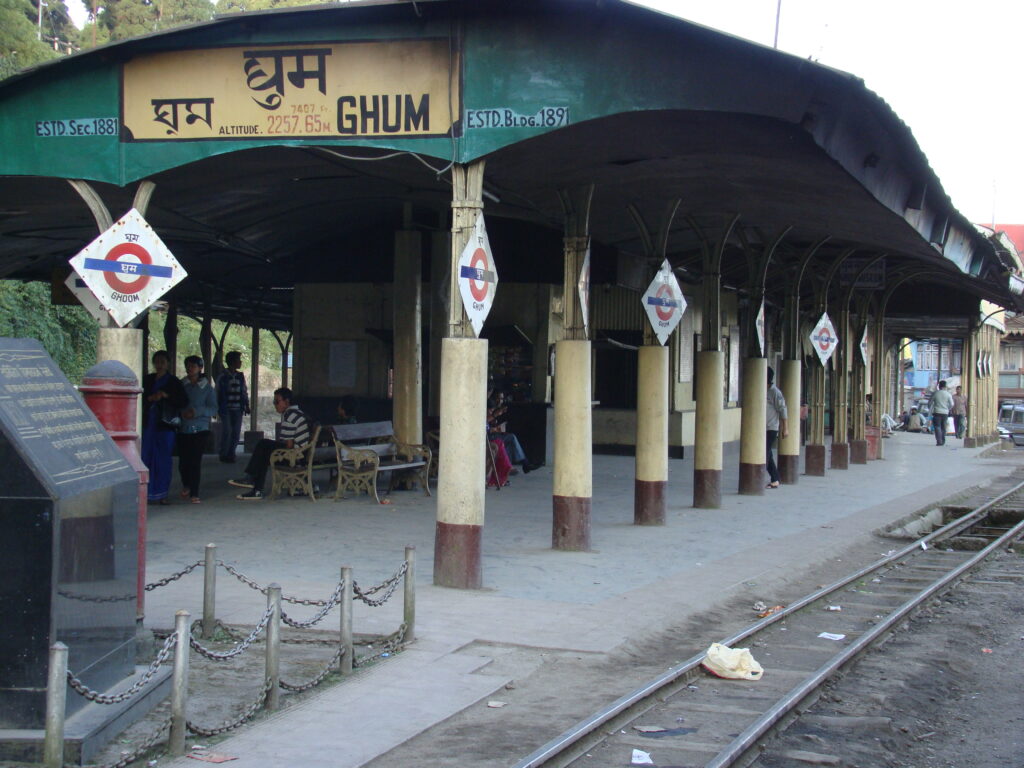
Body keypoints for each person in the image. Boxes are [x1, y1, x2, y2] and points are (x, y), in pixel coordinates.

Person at [229, 387, 311, 500]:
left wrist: (276, 449)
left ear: (287, 402)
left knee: (263, 447)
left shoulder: (290, 416)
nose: (275, 404)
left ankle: (254, 484)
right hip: (303, 454)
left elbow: (289, 445)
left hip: (296, 457)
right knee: (264, 450)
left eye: (277, 401)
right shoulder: (297, 412)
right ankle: (254, 484)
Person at [141, 350, 187, 505]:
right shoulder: (147, 380)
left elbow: (183, 401)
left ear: (168, 364)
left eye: (162, 362)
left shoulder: (173, 382)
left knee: (163, 460)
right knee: (145, 458)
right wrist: (150, 398)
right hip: (148, 424)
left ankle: (162, 493)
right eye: (157, 362)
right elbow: (139, 398)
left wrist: (166, 396)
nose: (159, 365)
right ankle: (145, 493)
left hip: (165, 426)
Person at [177, 355, 218, 504]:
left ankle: (195, 492)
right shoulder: (182, 385)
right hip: (183, 428)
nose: (190, 369)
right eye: (188, 366)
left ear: (200, 368)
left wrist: (197, 411)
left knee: (195, 461)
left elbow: (213, 408)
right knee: (183, 462)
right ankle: (186, 484)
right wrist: (182, 413)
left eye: (193, 366)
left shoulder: (207, 389)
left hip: (200, 429)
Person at [216, 351, 250, 463]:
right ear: (233, 362)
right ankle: (224, 453)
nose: (240, 362)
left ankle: (231, 453)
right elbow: (218, 392)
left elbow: (244, 391)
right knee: (227, 431)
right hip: (226, 409)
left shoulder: (240, 376)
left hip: (238, 408)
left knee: (235, 432)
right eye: (238, 360)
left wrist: (246, 404)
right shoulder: (223, 377)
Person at [765, 366, 788, 489]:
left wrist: (785, 428)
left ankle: (774, 478)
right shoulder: (761, 390)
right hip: (761, 428)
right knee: (767, 452)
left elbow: (783, 410)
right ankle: (775, 478)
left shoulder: (775, 392)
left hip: (771, 428)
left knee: (765, 452)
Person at [928, 380, 954, 446]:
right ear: (945, 386)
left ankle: (939, 441)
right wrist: (948, 409)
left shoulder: (935, 393)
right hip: (945, 413)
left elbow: (930, 403)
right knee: (943, 427)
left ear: (939, 386)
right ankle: (943, 440)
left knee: (937, 427)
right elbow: (952, 404)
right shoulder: (948, 394)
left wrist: (930, 408)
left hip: (937, 412)